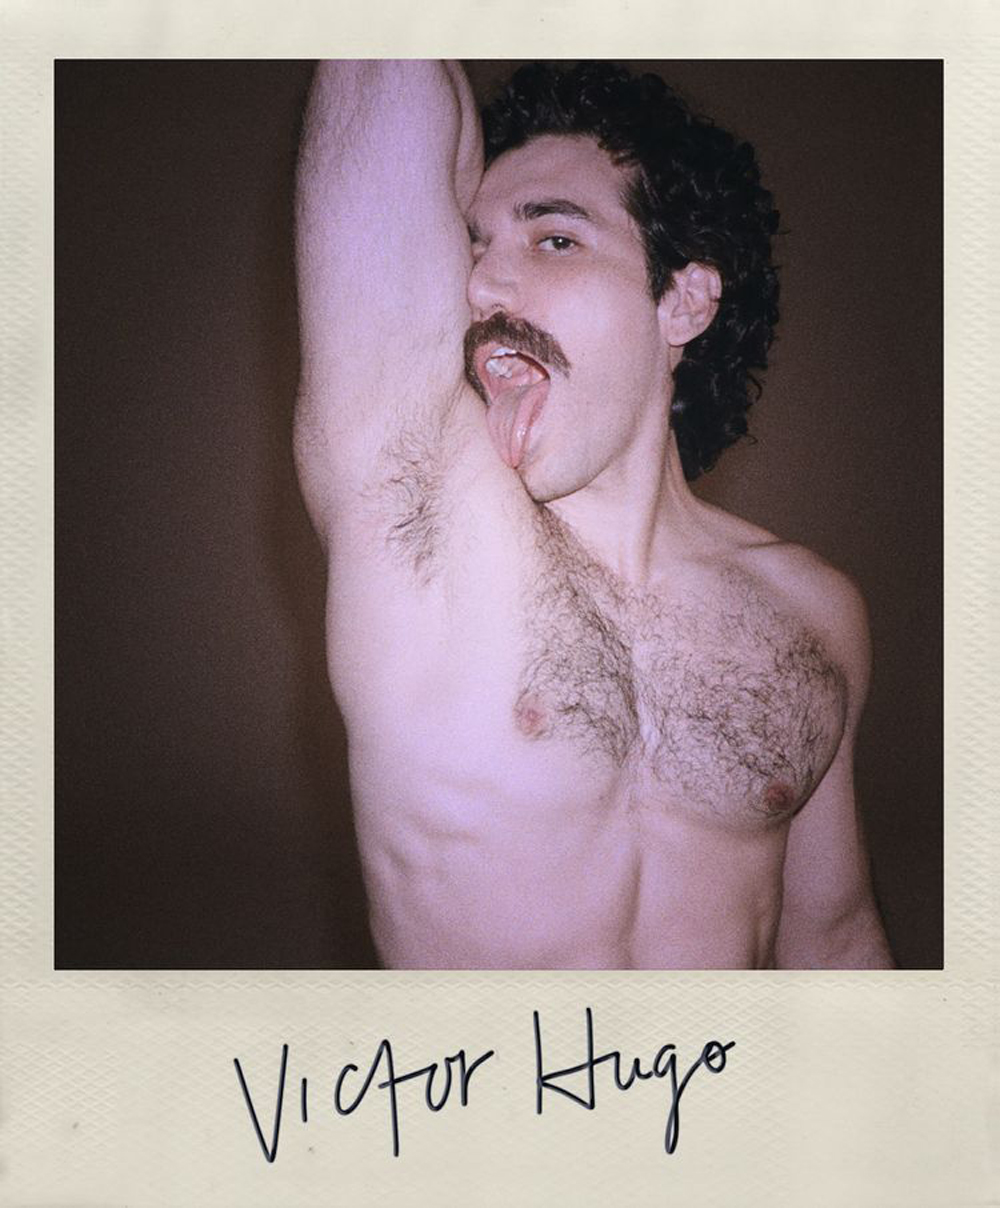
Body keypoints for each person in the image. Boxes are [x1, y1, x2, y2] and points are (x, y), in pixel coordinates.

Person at [293, 59, 894, 969]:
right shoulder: (419, 521)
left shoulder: (815, 615)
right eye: (473, 246)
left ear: (682, 301)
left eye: (554, 240)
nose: (483, 287)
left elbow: (837, 942)